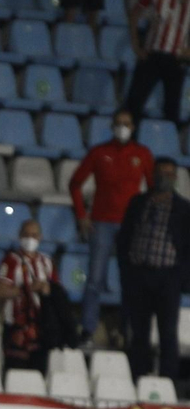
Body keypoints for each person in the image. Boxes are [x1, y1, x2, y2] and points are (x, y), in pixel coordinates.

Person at [68, 109, 153, 347]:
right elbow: (74, 184)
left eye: (126, 124)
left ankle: (126, 331)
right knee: (94, 280)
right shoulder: (99, 152)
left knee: (130, 280)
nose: (122, 128)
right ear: (111, 126)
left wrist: (146, 220)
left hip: (131, 226)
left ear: (133, 127)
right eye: (118, 123)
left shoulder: (143, 154)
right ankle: (88, 330)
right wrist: (82, 215)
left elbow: (155, 189)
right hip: (102, 223)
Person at [116, 159, 190, 382]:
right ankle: (138, 378)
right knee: (139, 332)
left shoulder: (184, 209)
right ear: (153, 175)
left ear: (175, 178)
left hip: (168, 278)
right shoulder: (138, 202)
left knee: (167, 332)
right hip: (139, 275)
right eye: (160, 173)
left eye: (169, 174)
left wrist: (182, 279)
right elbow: (124, 238)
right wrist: (127, 270)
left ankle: (169, 381)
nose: (164, 178)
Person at [0, 220, 74, 375]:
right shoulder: (11, 261)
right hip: (17, 327)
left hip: (42, 328)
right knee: (16, 374)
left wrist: (46, 288)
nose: (30, 238)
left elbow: (57, 292)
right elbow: (0, 291)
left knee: (38, 374)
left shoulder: (46, 262)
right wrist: (26, 289)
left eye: (34, 235)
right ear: (19, 236)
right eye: (26, 234)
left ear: (40, 237)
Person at [124, 0, 190, 128]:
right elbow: (135, 13)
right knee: (134, 103)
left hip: (176, 57)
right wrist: (136, 45)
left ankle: (170, 146)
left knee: (172, 107)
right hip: (152, 54)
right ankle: (133, 144)